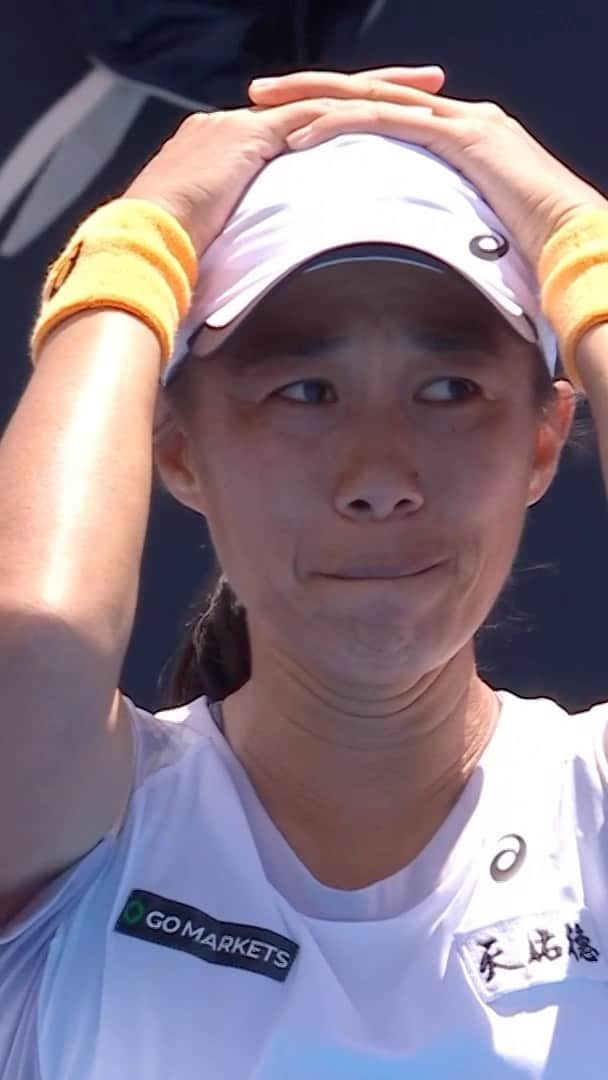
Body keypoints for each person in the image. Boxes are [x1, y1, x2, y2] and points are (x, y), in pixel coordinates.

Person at [1, 63, 608, 1079]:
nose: (378, 476)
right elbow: (34, 637)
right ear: (177, 448)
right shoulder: (76, 836)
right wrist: (135, 240)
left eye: (450, 386)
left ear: (544, 437)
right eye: (304, 389)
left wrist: (578, 236)